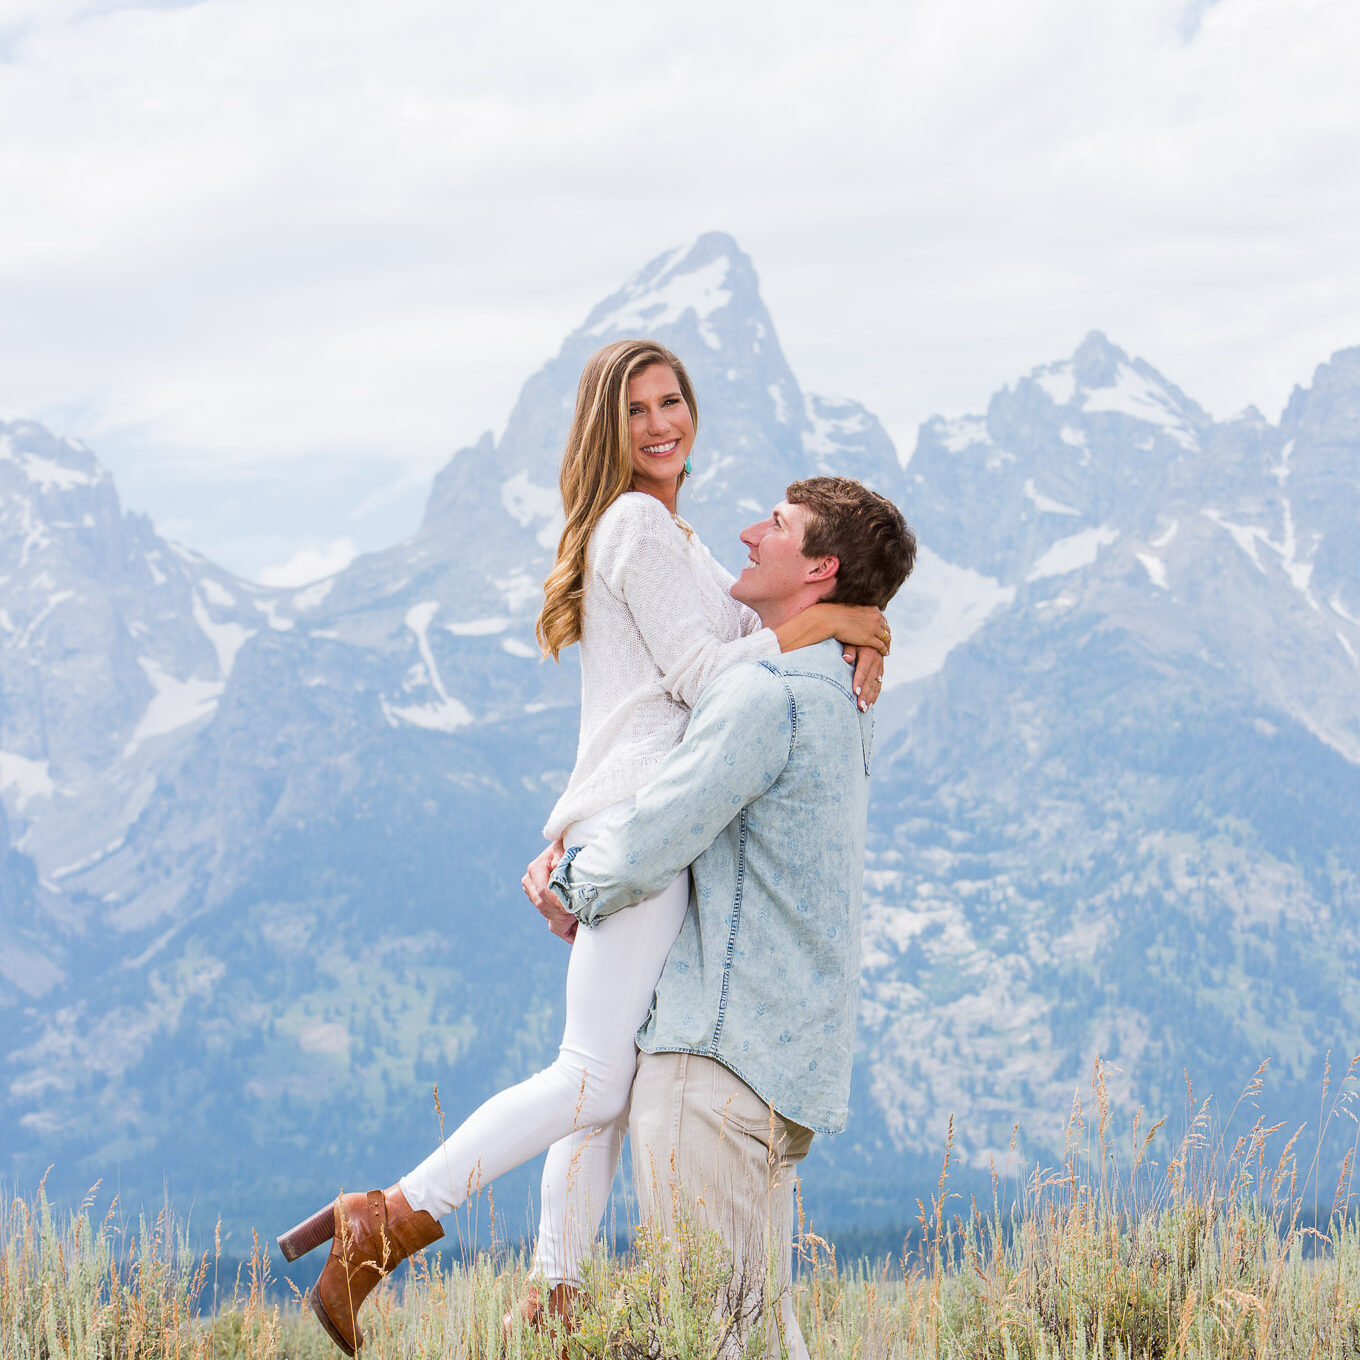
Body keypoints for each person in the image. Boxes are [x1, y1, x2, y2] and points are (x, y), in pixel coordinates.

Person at [274, 341, 892, 1356]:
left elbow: (759, 627)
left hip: (641, 823)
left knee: (608, 1075)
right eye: (638, 409)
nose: (661, 423)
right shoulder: (637, 526)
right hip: (642, 824)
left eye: (673, 400)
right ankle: (386, 1220)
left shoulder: (673, 535)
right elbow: (708, 676)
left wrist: (861, 623)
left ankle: (551, 1289)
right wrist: (841, 618)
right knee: (592, 1078)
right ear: (609, 428)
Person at [537, 475, 916, 1359]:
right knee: (761, 1336)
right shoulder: (846, 696)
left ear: (820, 569)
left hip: (710, 1070)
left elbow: (653, 836)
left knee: (708, 1338)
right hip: (783, 1076)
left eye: (777, 526)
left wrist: (565, 881)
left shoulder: (767, 697)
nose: (750, 532)